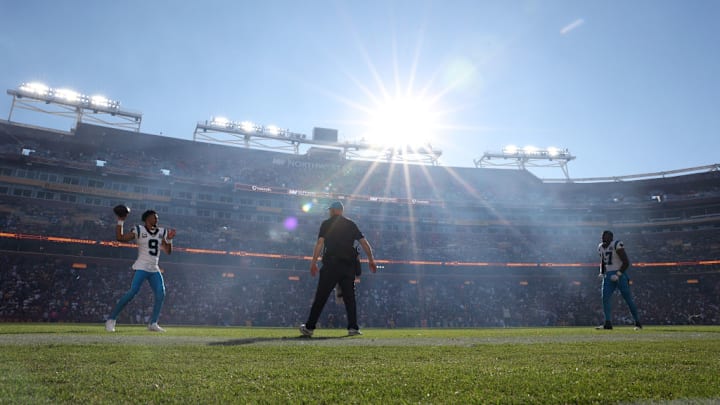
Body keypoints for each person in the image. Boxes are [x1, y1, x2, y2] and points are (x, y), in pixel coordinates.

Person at [300, 201, 377, 337]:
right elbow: (364, 243)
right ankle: (353, 328)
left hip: (331, 265)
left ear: (334, 210)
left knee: (321, 297)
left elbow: (319, 243)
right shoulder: (351, 224)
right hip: (348, 266)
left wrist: (313, 262)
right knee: (350, 298)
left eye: (330, 210)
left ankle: (309, 327)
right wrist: (371, 260)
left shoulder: (326, 223)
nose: (329, 212)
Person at [105, 209, 176, 332]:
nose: (157, 219)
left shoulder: (162, 231)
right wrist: (120, 222)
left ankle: (153, 323)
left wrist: (169, 240)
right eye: (154, 217)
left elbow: (168, 251)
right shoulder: (139, 229)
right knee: (133, 292)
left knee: (161, 293)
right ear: (147, 218)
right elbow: (120, 238)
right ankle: (111, 319)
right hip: (142, 266)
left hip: (154, 268)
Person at [596, 230, 642, 330]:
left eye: (606, 236)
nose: (603, 237)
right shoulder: (600, 247)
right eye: (603, 235)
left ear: (611, 237)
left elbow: (626, 262)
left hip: (620, 275)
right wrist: (602, 271)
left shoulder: (617, 244)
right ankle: (608, 323)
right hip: (608, 276)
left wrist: (618, 274)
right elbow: (603, 262)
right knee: (605, 298)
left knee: (628, 299)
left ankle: (637, 322)